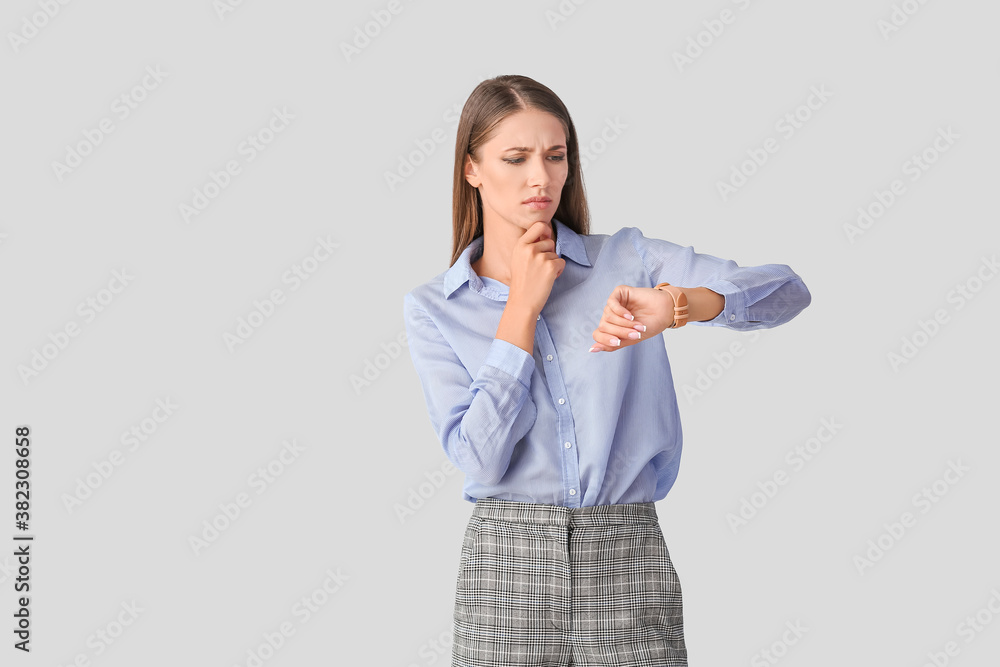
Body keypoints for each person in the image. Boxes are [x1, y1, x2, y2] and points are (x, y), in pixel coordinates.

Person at [402, 74, 811, 667]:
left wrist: (679, 306)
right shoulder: (436, 307)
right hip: (505, 577)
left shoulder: (629, 260)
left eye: (555, 155)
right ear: (472, 169)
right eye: (515, 158)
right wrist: (521, 310)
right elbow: (481, 456)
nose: (540, 177)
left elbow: (785, 291)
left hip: (628, 558)